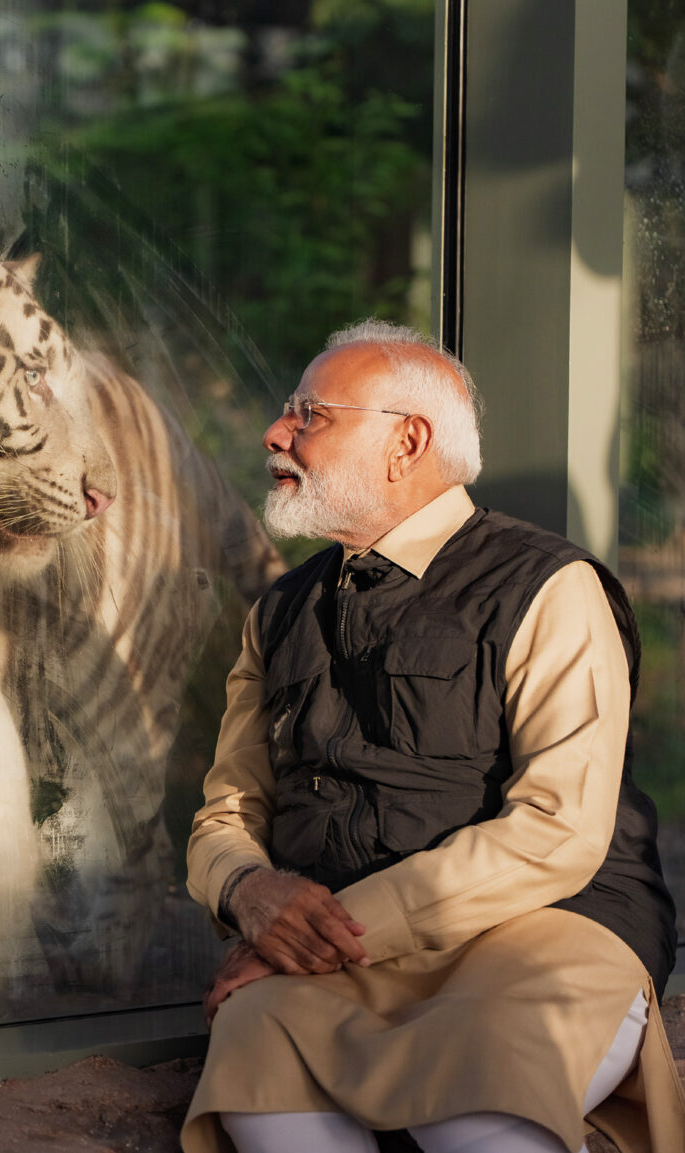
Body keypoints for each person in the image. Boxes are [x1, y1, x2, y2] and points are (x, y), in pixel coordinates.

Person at [181, 319, 685, 1153]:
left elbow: (558, 832)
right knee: (259, 1071)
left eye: (311, 414)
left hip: (542, 933)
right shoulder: (278, 613)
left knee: (478, 1104)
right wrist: (248, 892)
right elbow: (227, 813)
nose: (275, 433)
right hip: (331, 961)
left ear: (406, 442)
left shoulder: (549, 585)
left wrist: (327, 929)